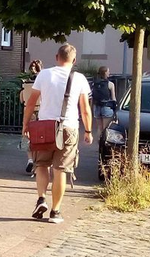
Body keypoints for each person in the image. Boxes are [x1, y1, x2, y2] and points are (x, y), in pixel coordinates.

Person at [21, 44, 93, 225]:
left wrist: (26, 124)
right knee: (60, 169)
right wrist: (89, 131)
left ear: (56, 57)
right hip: (68, 127)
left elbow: (31, 103)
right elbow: (85, 109)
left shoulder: (44, 75)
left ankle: (41, 199)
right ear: (74, 61)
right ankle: (55, 211)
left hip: (44, 126)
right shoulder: (80, 79)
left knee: (41, 165)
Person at [19, 60, 43, 175]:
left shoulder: (26, 84)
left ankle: (30, 159)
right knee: (40, 138)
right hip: (41, 111)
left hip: (28, 111)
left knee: (27, 136)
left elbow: (21, 99)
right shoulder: (43, 83)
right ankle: (38, 163)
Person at [91, 66, 117, 144]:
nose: (109, 73)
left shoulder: (94, 83)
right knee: (106, 127)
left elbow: (92, 97)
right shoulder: (110, 84)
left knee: (99, 127)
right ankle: (104, 144)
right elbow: (113, 98)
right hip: (107, 107)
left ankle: (99, 143)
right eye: (108, 71)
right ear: (105, 72)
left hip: (97, 107)